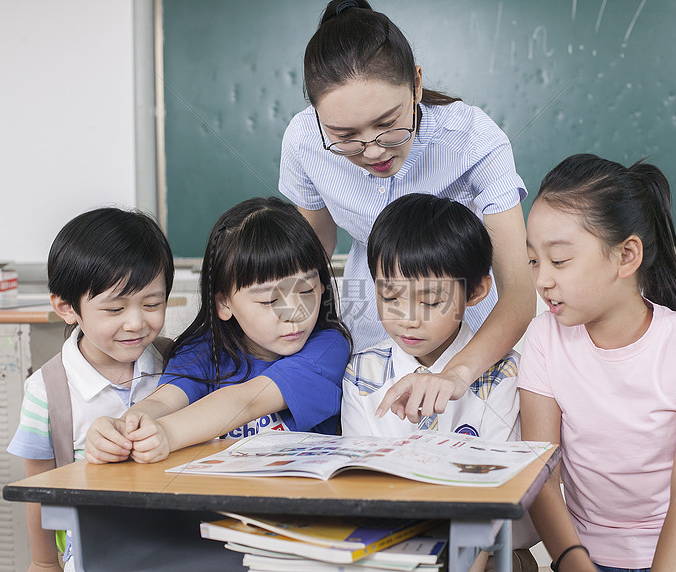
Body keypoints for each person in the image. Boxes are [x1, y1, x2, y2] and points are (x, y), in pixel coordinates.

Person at [279, 0, 535, 423]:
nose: (373, 150)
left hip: (470, 344)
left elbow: (519, 294)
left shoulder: (472, 138)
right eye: (344, 136)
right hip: (371, 335)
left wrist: (455, 375)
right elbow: (311, 254)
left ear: (416, 84)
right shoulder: (304, 141)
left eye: (388, 124)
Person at [519, 154, 676, 571]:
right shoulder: (544, 338)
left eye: (559, 260)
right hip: (589, 558)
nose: (543, 279)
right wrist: (572, 562)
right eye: (534, 261)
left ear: (625, 256)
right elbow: (542, 475)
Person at [341, 194, 538, 572]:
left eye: (430, 302)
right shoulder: (362, 375)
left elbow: (505, 500)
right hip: (393, 551)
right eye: (390, 296)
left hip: (491, 553)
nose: (407, 319)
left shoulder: (506, 376)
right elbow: (362, 487)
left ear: (477, 291)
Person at [84, 197, 352, 465]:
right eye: (269, 301)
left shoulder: (327, 348)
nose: (294, 313)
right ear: (225, 303)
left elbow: (249, 400)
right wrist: (122, 430)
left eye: (306, 291)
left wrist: (167, 432)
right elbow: (164, 402)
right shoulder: (203, 349)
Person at [7, 207, 175, 572]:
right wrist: (43, 563)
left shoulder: (178, 365)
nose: (136, 322)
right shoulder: (47, 390)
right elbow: (38, 488)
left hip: (177, 547)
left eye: (152, 304)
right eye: (114, 309)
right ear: (67, 308)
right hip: (90, 557)